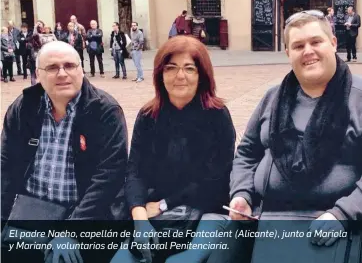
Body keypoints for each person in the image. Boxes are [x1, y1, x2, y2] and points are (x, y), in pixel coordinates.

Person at [226, 10, 362, 258]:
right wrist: (242, 194)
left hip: (337, 227)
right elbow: (247, 153)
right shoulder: (273, 98)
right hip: (269, 225)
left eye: (316, 41)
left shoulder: (358, 98)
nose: (307, 51)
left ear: (333, 43)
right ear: (288, 53)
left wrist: (344, 213)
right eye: (298, 45)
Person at [110, 35, 236, 263]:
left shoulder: (217, 116)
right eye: (171, 68)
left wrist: (163, 205)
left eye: (189, 68)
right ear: (160, 74)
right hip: (154, 211)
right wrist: (139, 215)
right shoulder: (149, 116)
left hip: (207, 208)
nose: (180, 76)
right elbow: (135, 171)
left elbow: (214, 179)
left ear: (202, 75)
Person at [1, 41, 128, 262]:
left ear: (81, 69)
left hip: (86, 216)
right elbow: (5, 165)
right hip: (31, 212)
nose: (62, 74)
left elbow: (109, 176)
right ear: (38, 75)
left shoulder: (105, 111)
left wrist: (72, 232)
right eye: (52, 68)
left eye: (69, 65)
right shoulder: (24, 107)